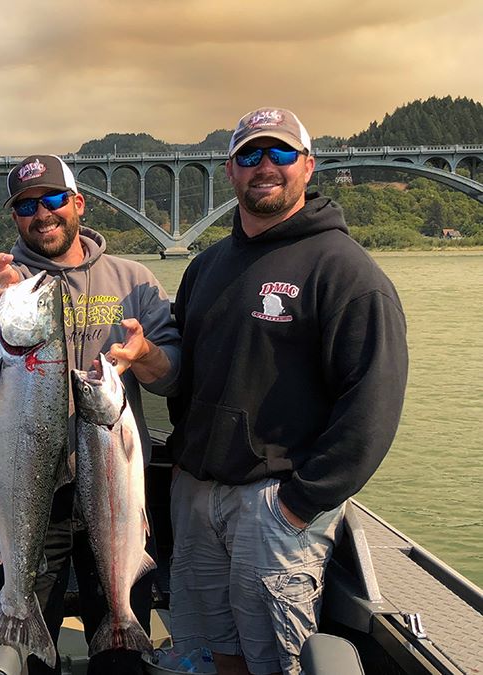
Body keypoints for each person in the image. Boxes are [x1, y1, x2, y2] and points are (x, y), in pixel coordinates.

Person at [166, 107, 409, 675]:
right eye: (250, 154)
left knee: (277, 662)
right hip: (199, 496)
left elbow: (372, 403)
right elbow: (189, 379)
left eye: (280, 153)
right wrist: (183, 461)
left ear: (308, 165)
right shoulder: (205, 267)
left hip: (275, 506)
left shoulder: (345, 272)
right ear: (231, 170)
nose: (265, 166)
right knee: (211, 654)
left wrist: (300, 503)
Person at [0, 154, 181, 674]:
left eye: (53, 199)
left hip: (116, 489)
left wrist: (145, 354)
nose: (42, 214)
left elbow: (172, 377)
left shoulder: (134, 279)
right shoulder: (7, 281)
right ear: (15, 218)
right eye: (26, 206)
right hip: (33, 494)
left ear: (78, 203)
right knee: (30, 655)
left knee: (122, 651)